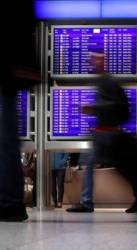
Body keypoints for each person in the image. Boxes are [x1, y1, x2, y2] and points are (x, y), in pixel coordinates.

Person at [67, 74, 137, 213]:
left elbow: (114, 108)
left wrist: (94, 109)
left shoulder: (108, 84)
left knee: (124, 168)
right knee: (122, 168)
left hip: (108, 137)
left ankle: (88, 202)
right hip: (105, 136)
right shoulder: (104, 84)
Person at [0, 1, 40, 221]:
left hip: (7, 70)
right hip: (10, 72)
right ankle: (9, 200)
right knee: (6, 138)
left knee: (5, 139)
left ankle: (9, 201)